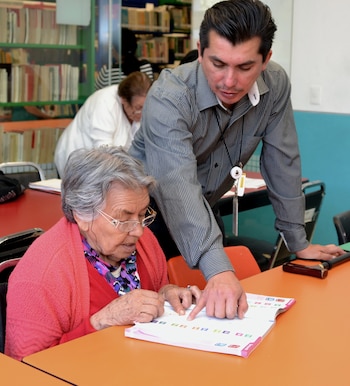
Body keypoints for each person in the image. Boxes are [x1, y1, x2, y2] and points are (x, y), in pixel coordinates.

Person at [129, 0, 345, 321]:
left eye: (244, 67)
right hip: (144, 219)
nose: (229, 81)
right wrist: (217, 270)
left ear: (265, 60)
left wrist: (298, 241)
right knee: (158, 317)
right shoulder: (170, 96)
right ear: (200, 50)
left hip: (203, 210)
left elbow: (281, 161)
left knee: (211, 316)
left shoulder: (275, 84)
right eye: (217, 63)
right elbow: (177, 188)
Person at [5, 146, 201, 361]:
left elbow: (154, 293)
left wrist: (166, 294)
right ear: (82, 214)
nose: (138, 230)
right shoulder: (42, 274)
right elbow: (27, 369)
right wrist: (101, 321)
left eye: (143, 214)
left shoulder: (144, 243)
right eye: (123, 219)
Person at [54, 71, 152, 177]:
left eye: (146, 107)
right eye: (138, 108)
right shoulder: (105, 103)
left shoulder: (143, 109)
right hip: (79, 164)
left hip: (108, 168)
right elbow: (104, 151)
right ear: (124, 100)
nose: (142, 113)